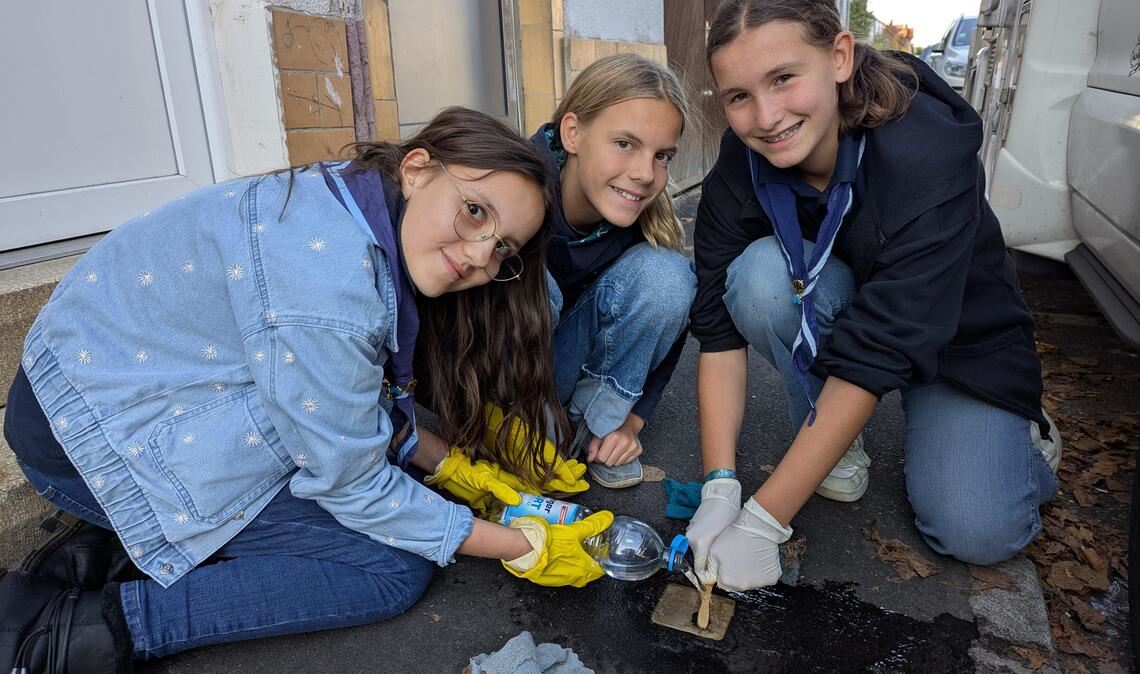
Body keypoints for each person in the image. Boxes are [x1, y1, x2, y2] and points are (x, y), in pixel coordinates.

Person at [2, 107, 612, 672]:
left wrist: (451, 463)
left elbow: (338, 394)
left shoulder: (351, 203)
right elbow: (352, 483)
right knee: (391, 566)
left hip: (104, 395)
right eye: (475, 211)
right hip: (90, 443)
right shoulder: (331, 292)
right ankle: (84, 630)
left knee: (401, 497)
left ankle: (117, 552)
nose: (481, 255)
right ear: (418, 169)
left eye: (503, 248)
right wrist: (521, 543)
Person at [685, 0, 1060, 592]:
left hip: (959, 340)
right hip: (854, 317)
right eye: (739, 96)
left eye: (783, 78)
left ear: (839, 56)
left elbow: (883, 342)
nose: (766, 117)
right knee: (757, 278)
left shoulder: (926, 149)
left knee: (977, 531)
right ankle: (834, 445)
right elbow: (717, 327)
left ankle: (1021, 444)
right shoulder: (743, 160)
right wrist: (720, 485)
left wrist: (763, 521)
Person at [531, 53, 697, 489]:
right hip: (500, 383)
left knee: (669, 277)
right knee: (534, 283)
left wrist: (632, 423)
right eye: (625, 144)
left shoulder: (641, 214)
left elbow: (670, 327)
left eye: (662, 155)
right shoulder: (515, 186)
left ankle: (595, 431)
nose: (645, 174)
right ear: (572, 133)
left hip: (561, 370)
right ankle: (514, 433)